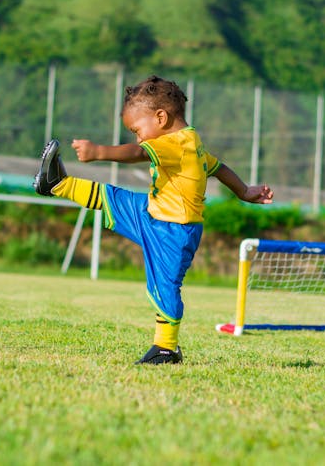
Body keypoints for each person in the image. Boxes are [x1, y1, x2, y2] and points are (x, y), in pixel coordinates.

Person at [33, 75, 274, 364]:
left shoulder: (175, 143)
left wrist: (99, 152)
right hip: (152, 212)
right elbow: (217, 166)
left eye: (136, 129)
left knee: (163, 286)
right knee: (112, 198)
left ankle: (166, 348)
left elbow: (138, 153)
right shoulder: (191, 141)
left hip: (173, 232)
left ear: (160, 117)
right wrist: (244, 190)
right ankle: (56, 183)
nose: (137, 137)